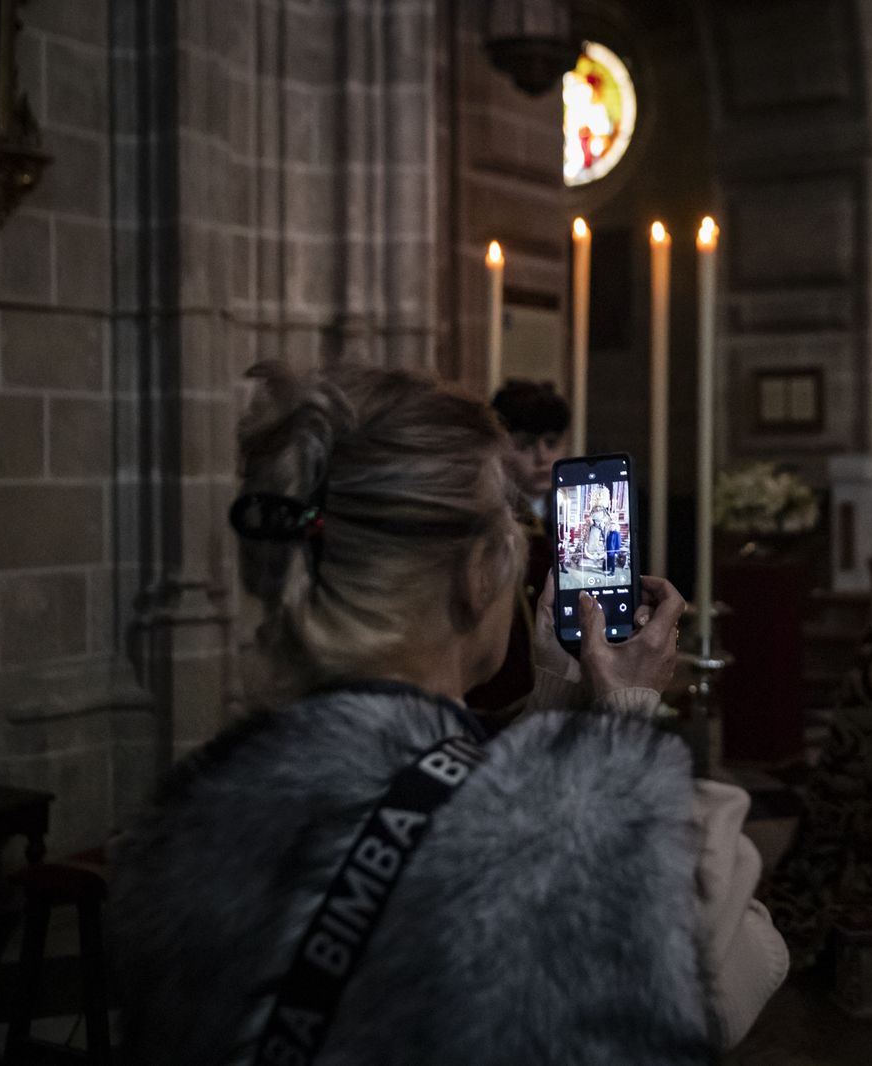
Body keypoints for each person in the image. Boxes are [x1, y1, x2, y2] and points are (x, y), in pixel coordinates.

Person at [108, 363, 788, 1064]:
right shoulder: (573, 842)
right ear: (475, 577)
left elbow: (419, 795)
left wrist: (556, 692)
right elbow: (735, 966)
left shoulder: (191, 808)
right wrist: (624, 720)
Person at [463, 380, 569, 722]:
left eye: (551, 444)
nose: (541, 458)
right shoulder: (488, 519)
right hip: (504, 694)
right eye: (524, 446)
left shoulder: (574, 512)